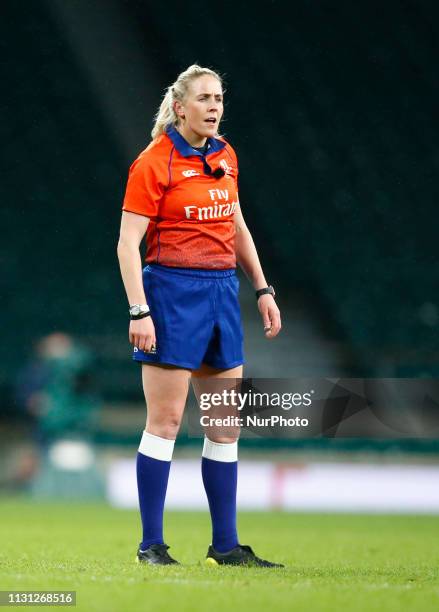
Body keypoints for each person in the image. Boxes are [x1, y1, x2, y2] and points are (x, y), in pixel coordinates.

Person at [117, 64, 283, 567]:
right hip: (171, 294)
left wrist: (262, 287)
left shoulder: (226, 156)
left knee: (224, 425)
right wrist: (139, 310)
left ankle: (225, 546)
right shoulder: (154, 162)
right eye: (204, 99)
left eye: (219, 98)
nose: (214, 107)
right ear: (180, 107)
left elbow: (236, 224)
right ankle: (151, 545)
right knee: (165, 423)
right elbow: (127, 244)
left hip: (220, 293)